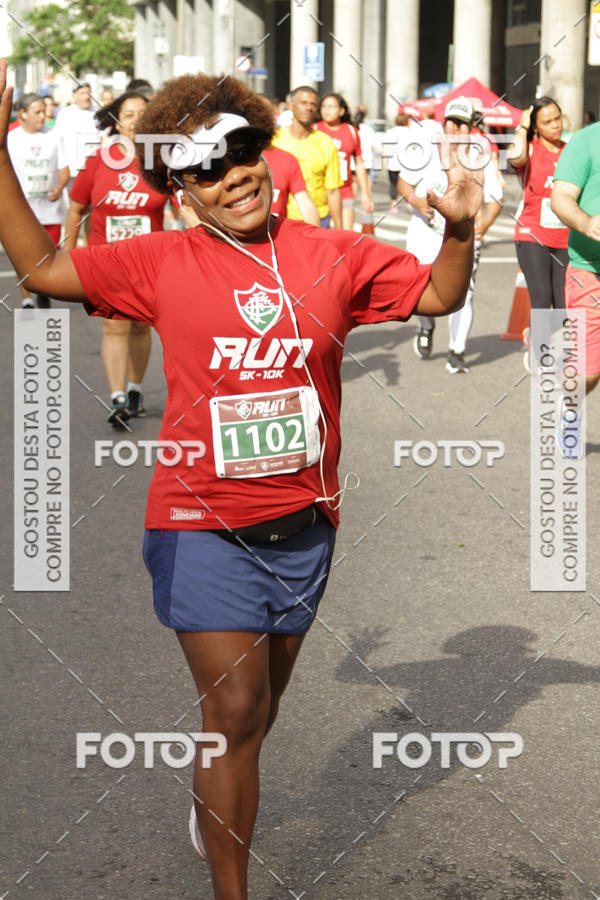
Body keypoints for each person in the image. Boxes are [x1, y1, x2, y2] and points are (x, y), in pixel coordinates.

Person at [0, 60, 481, 900]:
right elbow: (42, 268)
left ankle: (217, 790)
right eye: (205, 172)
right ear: (181, 191)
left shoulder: (335, 254)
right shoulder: (159, 260)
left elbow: (439, 296)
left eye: (241, 156)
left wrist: (462, 232)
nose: (233, 179)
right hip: (200, 525)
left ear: (264, 151)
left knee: (255, 715)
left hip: (305, 525)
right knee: (230, 714)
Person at [62, 91, 168, 427]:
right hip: (106, 260)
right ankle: (117, 398)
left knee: (140, 327)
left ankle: (135, 389)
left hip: (149, 262)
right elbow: (76, 208)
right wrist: (68, 255)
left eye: (142, 114)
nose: (136, 120)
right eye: (129, 114)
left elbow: (186, 208)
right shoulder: (98, 160)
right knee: (114, 325)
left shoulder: (161, 163)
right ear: (117, 122)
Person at [398, 96, 502, 373]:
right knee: (418, 289)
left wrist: (484, 225)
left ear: (472, 128)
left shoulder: (479, 159)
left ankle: (457, 351)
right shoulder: (425, 151)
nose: (455, 128)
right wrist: (416, 201)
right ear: (443, 124)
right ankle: (426, 325)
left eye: (462, 123)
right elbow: (403, 183)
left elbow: (496, 200)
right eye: (451, 122)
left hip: (462, 240)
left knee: (464, 295)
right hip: (424, 234)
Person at [551, 118, 600, 457]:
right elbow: (561, 198)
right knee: (590, 371)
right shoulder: (586, 141)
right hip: (589, 272)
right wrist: (586, 222)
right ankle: (569, 408)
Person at [7, 92, 69, 308]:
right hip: (22, 212)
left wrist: (59, 187)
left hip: (50, 211)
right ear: (22, 114)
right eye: (37, 112)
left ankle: (43, 291)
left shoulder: (53, 136)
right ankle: (27, 300)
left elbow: (64, 168)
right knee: (23, 259)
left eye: (44, 111)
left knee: (49, 258)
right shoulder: (10, 139)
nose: (43, 116)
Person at [509, 97, 569, 317]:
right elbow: (515, 158)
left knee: (566, 303)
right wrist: (523, 126)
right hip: (533, 234)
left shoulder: (570, 151)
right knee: (543, 300)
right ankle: (543, 341)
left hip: (566, 237)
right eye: (547, 122)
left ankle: (566, 342)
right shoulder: (529, 149)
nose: (555, 125)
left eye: (557, 118)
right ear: (536, 127)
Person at [272, 85, 343, 228]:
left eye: (313, 104)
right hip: (281, 220)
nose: (308, 108)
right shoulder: (275, 139)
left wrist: (339, 230)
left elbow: (333, 191)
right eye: (303, 103)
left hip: (318, 220)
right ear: (291, 105)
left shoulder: (325, 142)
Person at [316, 93, 373, 231]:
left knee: (346, 234)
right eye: (324, 106)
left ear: (341, 111)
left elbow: (359, 164)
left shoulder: (351, 131)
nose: (327, 110)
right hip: (319, 192)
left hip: (345, 191)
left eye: (332, 106)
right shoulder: (314, 129)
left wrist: (365, 193)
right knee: (321, 235)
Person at [53, 81, 100, 182]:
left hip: (93, 171)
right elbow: (58, 141)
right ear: (74, 96)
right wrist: (63, 166)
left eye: (89, 93)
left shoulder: (98, 113)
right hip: (72, 172)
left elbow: (104, 139)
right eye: (82, 93)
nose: (86, 97)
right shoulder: (65, 114)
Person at [382, 112, 410, 214]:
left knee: (393, 184)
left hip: (393, 163)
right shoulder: (410, 132)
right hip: (406, 164)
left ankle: (393, 205)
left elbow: (386, 147)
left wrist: (384, 161)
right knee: (407, 183)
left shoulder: (390, 132)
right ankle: (408, 202)